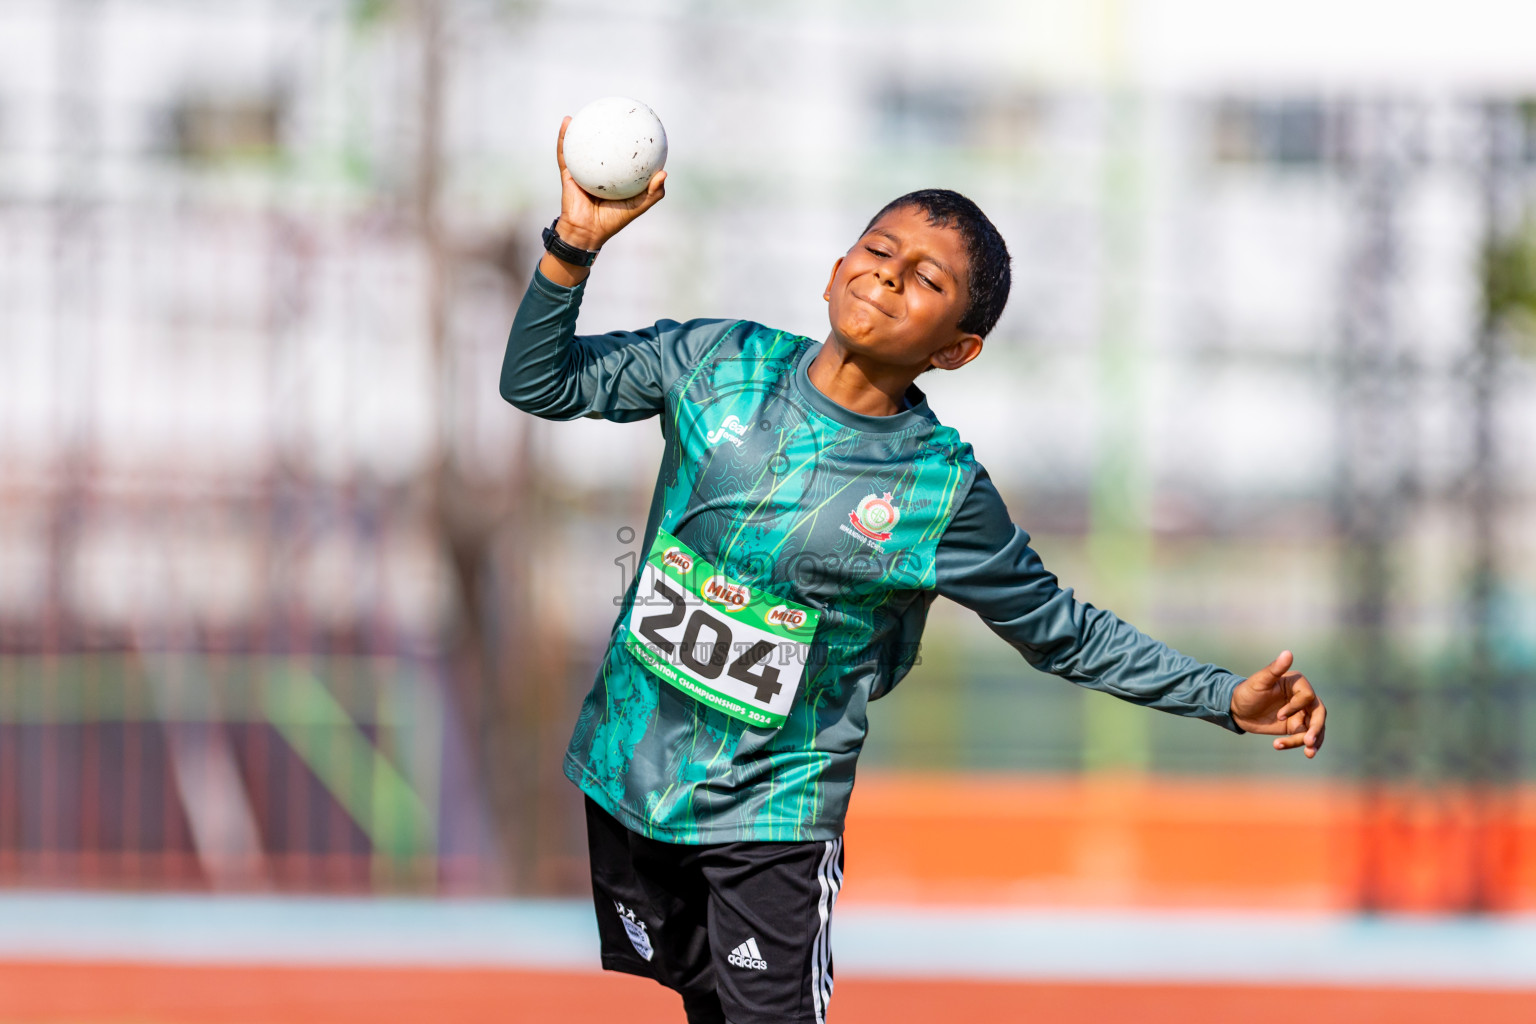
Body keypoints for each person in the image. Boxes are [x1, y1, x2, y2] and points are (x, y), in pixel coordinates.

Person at [500, 117, 1328, 1024]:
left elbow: (1061, 633)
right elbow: (541, 384)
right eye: (880, 249)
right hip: (627, 775)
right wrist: (574, 242)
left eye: (928, 279)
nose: (891, 273)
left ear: (957, 350)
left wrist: (1222, 697)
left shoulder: (939, 488)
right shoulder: (716, 361)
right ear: (835, 270)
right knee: (701, 1002)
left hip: (773, 815)